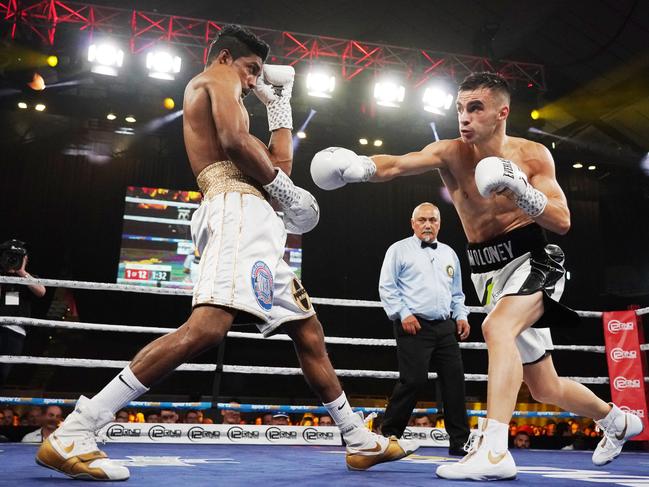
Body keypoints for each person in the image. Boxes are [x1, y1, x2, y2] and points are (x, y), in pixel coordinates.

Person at [36, 24, 417, 482]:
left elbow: (279, 166)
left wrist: (280, 109)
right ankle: (77, 429)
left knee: (308, 331)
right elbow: (241, 148)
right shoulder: (215, 79)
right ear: (224, 58)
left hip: (256, 219)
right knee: (206, 329)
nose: (255, 79)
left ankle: (358, 439)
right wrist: (283, 189)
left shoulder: (237, 93)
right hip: (236, 209)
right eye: (251, 68)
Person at [310, 71, 643, 480]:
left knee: (497, 329)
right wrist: (357, 167)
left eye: (475, 108)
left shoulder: (533, 154)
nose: (463, 118)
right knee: (545, 387)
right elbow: (397, 164)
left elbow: (562, 221)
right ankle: (618, 421)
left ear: (502, 113)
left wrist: (521, 190)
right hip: (488, 274)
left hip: (536, 258)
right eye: (459, 109)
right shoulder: (450, 153)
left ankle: (496, 450)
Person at [378, 202, 471, 456]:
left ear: (439, 223)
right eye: (422, 220)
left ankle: (460, 441)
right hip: (413, 325)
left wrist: (461, 315)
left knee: (455, 383)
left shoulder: (450, 254)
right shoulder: (398, 250)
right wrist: (403, 313)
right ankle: (389, 434)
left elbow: (457, 292)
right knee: (414, 380)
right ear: (413, 223)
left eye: (432, 219)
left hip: (445, 327)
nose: (427, 224)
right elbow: (387, 286)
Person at [0, 240, 46, 386]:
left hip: (15, 331)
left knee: (3, 373)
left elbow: (41, 291)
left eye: (19, 256)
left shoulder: (28, 278)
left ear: (26, 259)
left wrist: (21, 271)